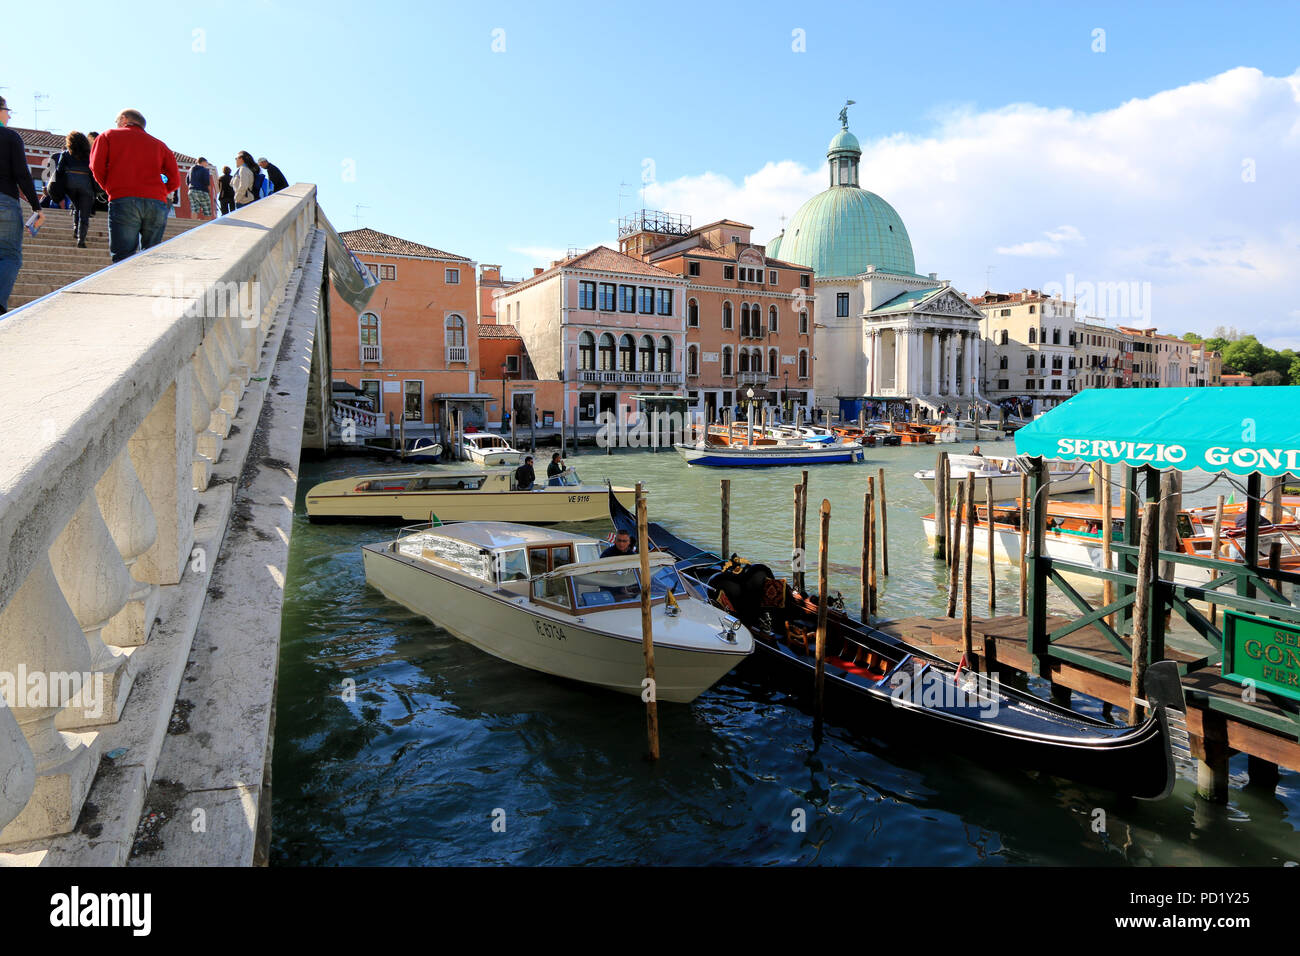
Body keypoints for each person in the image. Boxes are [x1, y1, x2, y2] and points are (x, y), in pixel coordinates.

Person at [89, 109, 181, 263]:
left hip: (123, 198)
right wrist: (160, 191)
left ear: (124, 119)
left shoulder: (108, 136)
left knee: (123, 257)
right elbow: (175, 180)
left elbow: (95, 167)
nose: (116, 124)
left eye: (117, 121)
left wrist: (110, 187)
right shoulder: (160, 145)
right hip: (156, 202)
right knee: (151, 255)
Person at [0, 96, 43, 314]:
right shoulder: (10, 137)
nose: (8, 115)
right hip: (4, 200)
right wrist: (36, 207)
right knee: (9, 255)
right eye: (7, 110)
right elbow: (22, 174)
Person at [56, 132, 97, 247]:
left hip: (70, 184)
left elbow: (59, 171)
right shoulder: (90, 154)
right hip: (86, 184)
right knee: (84, 212)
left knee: (76, 205)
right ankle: (81, 239)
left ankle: (75, 228)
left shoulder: (65, 154)